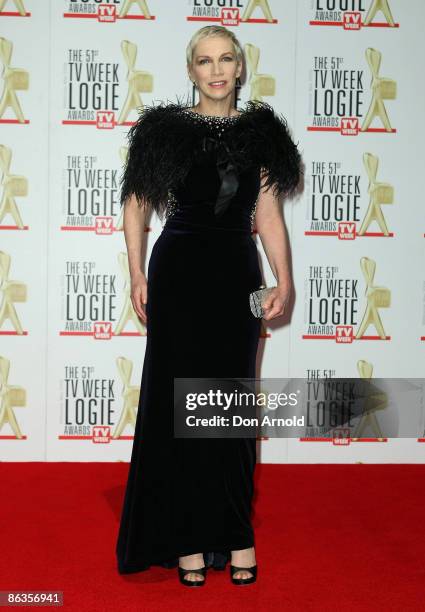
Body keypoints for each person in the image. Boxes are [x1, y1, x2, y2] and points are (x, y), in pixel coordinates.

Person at [115, 25, 302, 587]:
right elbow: (137, 202)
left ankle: (235, 531)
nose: (216, 70)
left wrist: (284, 278)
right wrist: (136, 270)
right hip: (179, 276)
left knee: (231, 412)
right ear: (192, 71)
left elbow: (267, 213)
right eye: (204, 61)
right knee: (182, 411)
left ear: (240, 68)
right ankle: (189, 538)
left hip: (235, 279)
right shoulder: (165, 132)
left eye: (226, 59)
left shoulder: (262, 133)